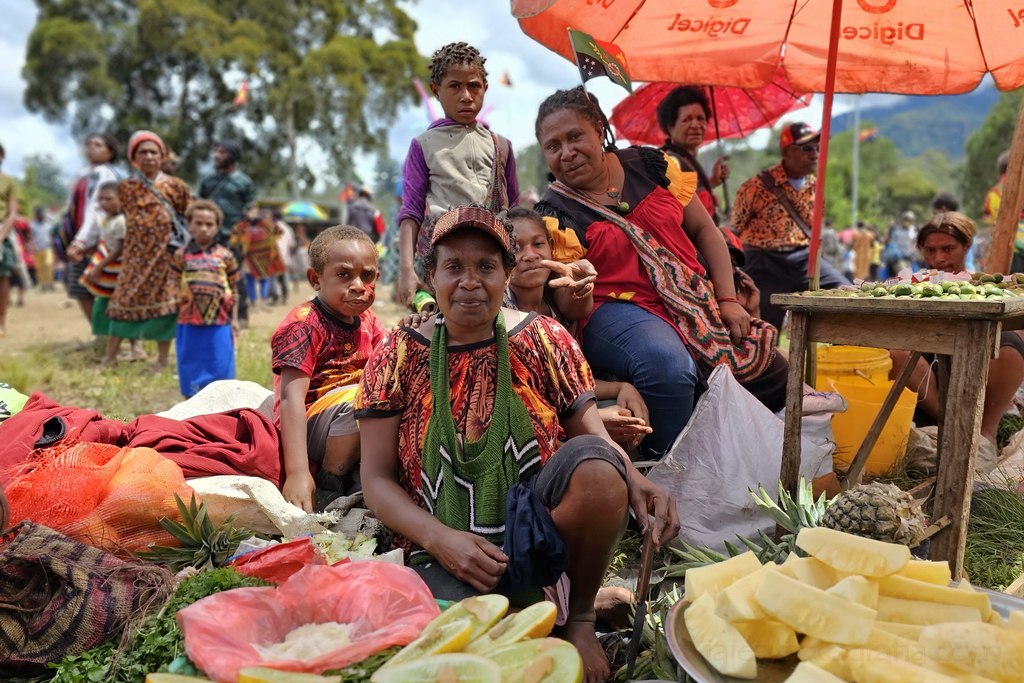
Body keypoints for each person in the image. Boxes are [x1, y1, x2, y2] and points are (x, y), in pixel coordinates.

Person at [356, 206, 679, 683]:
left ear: (507, 273)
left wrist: (636, 482)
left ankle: (583, 616)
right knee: (468, 647)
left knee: (598, 469)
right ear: (431, 275)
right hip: (439, 545)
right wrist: (440, 540)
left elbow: (593, 436)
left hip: (540, 535)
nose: (470, 282)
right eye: (454, 267)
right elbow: (376, 479)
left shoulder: (543, 339)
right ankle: (550, 606)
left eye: (486, 267)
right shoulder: (398, 353)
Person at [533, 87, 785, 459]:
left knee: (776, 372)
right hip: (613, 309)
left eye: (575, 137)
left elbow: (705, 232)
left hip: (689, 297)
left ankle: (753, 462)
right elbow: (572, 310)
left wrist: (728, 300)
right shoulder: (555, 214)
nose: (566, 152)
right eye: (553, 146)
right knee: (667, 365)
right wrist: (579, 288)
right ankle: (670, 471)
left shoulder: (652, 166)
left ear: (599, 131)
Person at [505, 206, 651, 450]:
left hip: (568, 409)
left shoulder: (556, 299)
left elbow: (569, 379)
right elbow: (521, 398)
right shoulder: (502, 311)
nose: (530, 255)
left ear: (551, 246)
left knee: (625, 413)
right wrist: (592, 423)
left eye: (538, 244)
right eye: (516, 249)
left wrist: (623, 387)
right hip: (526, 427)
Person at [891, 211, 1024, 473]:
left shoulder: (982, 283)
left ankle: (985, 431)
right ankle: (950, 424)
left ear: (966, 246)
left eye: (948, 249)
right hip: (930, 378)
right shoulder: (912, 284)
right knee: (895, 352)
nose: (939, 258)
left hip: (976, 371)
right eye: (931, 250)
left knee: (1012, 343)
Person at [271, 226, 386, 513]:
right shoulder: (305, 324)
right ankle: (329, 481)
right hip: (311, 425)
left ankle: (362, 478)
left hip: (359, 420)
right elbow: (290, 399)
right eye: (344, 275)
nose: (359, 285)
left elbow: (389, 359)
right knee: (363, 398)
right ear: (316, 279)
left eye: (367, 276)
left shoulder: (369, 319)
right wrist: (297, 472)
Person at [396, 41, 519, 307]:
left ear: (484, 88)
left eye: (473, 86)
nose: (466, 95)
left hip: (492, 256)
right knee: (445, 331)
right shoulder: (424, 145)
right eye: (455, 86)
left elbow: (516, 211)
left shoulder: (502, 146)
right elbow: (411, 212)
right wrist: (406, 269)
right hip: (445, 260)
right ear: (436, 91)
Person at [731, 122, 850, 329]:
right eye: (807, 148)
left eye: (817, 148)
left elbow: (815, 224)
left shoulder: (816, 185)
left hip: (803, 257)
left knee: (846, 293)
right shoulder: (755, 186)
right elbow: (737, 225)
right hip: (764, 260)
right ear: (787, 152)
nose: (815, 153)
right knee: (764, 326)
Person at [107, 130, 191, 368]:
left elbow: (188, 215)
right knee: (123, 301)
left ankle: (162, 360)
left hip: (166, 257)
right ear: (134, 157)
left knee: (166, 305)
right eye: (142, 152)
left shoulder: (177, 186)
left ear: (162, 155)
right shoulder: (126, 187)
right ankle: (110, 356)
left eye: (153, 152)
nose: (149, 156)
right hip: (134, 257)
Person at [170, 200, 240, 397]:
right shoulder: (180, 255)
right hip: (189, 322)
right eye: (198, 223)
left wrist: (234, 320)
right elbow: (173, 283)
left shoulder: (225, 256)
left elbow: (234, 289)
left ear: (217, 227)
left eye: (209, 224)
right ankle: (191, 404)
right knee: (190, 363)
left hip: (220, 322)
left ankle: (220, 409)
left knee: (220, 365)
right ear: (189, 225)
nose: (203, 228)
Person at [81, 181, 143, 365]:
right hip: (111, 272)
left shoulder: (121, 221)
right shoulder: (108, 220)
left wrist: (99, 267)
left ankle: (117, 354)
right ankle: (131, 349)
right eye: (100, 199)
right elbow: (105, 244)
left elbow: (119, 249)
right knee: (115, 311)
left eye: (109, 199)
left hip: (118, 274)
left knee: (118, 311)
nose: (104, 203)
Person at [64, 134, 121, 326]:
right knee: (81, 289)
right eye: (88, 144)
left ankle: (112, 334)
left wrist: (82, 241)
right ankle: (99, 332)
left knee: (106, 288)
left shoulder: (106, 174)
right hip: (81, 238)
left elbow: (95, 211)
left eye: (98, 145)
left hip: (99, 240)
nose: (91, 148)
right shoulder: (83, 174)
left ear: (110, 151)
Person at [199, 140, 255, 324]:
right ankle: (211, 311)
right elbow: (200, 204)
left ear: (233, 156)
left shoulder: (244, 182)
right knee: (207, 272)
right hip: (209, 234)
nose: (217, 155)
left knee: (234, 274)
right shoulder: (207, 180)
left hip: (233, 236)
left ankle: (241, 314)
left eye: (222, 152)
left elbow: (252, 206)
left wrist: (250, 215)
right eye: (216, 152)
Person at [656, 85, 729, 224]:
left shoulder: (687, 160)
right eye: (687, 119)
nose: (696, 125)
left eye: (700, 118)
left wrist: (712, 181)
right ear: (670, 126)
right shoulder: (670, 162)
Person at [232, 207, 285, 309]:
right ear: (245, 212)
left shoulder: (265, 223)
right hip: (249, 257)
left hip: (265, 257)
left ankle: (264, 302)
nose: (252, 213)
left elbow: (279, 231)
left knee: (265, 279)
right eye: (250, 211)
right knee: (250, 279)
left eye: (254, 211)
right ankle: (253, 303)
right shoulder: (242, 225)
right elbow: (233, 239)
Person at [982, 149, 1024, 273]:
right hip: (1016, 251)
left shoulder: (992, 194)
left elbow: (989, 225)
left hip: (1003, 250)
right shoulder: (1017, 190)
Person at [0, 143, 20, 336]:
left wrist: (1, 236)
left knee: (2, 278)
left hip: (2, 232)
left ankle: (1, 322)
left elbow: (13, 214)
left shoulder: (9, 183)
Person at [29, 207, 55, 291]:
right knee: (39, 267)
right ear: (36, 215)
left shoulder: (48, 225)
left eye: (42, 214)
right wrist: (32, 246)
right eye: (39, 214)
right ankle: (43, 284)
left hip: (48, 248)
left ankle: (50, 283)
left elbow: (51, 236)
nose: (41, 216)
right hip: (37, 249)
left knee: (48, 264)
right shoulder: (32, 225)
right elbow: (30, 237)